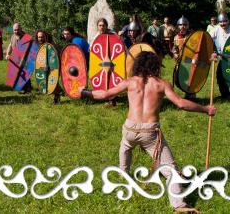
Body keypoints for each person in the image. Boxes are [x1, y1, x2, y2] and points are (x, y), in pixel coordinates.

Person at [79, 51, 216, 213]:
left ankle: (124, 173)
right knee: (170, 169)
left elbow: (106, 94)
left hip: (130, 129)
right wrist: (205, 109)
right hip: (150, 133)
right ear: (155, 66)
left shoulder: (130, 82)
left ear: (137, 65)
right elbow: (180, 103)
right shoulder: (161, 84)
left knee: (126, 145)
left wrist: (84, 92)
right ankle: (179, 204)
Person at [173, 16, 196, 100]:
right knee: (177, 80)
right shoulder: (176, 37)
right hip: (180, 61)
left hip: (189, 60)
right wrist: (175, 54)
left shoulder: (192, 36)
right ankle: (187, 92)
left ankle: (191, 95)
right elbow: (174, 48)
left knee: (190, 79)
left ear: (187, 26)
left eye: (184, 25)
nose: (182, 26)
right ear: (178, 26)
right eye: (181, 25)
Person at [6, 23, 31, 93]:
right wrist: (8, 53)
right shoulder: (13, 36)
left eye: (17, 30)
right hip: (16, 57)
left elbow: (28, 49)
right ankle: (24, 87)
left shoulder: (26, 37)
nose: (16, 31)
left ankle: (27, 88)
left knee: (24, 73)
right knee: (17, 73)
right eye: (14, 30)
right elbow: (10, 45)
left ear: (21, 29)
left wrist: (23, 59)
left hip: (25, 57)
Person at [210, 13, 230, 99]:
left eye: (224, 21)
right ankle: (225, 95)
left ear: (228, 21)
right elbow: (208, 38)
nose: (222, 23)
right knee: (220, 76)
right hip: (222, 58)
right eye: (220, 22)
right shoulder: (216, 29)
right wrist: (212, 51)